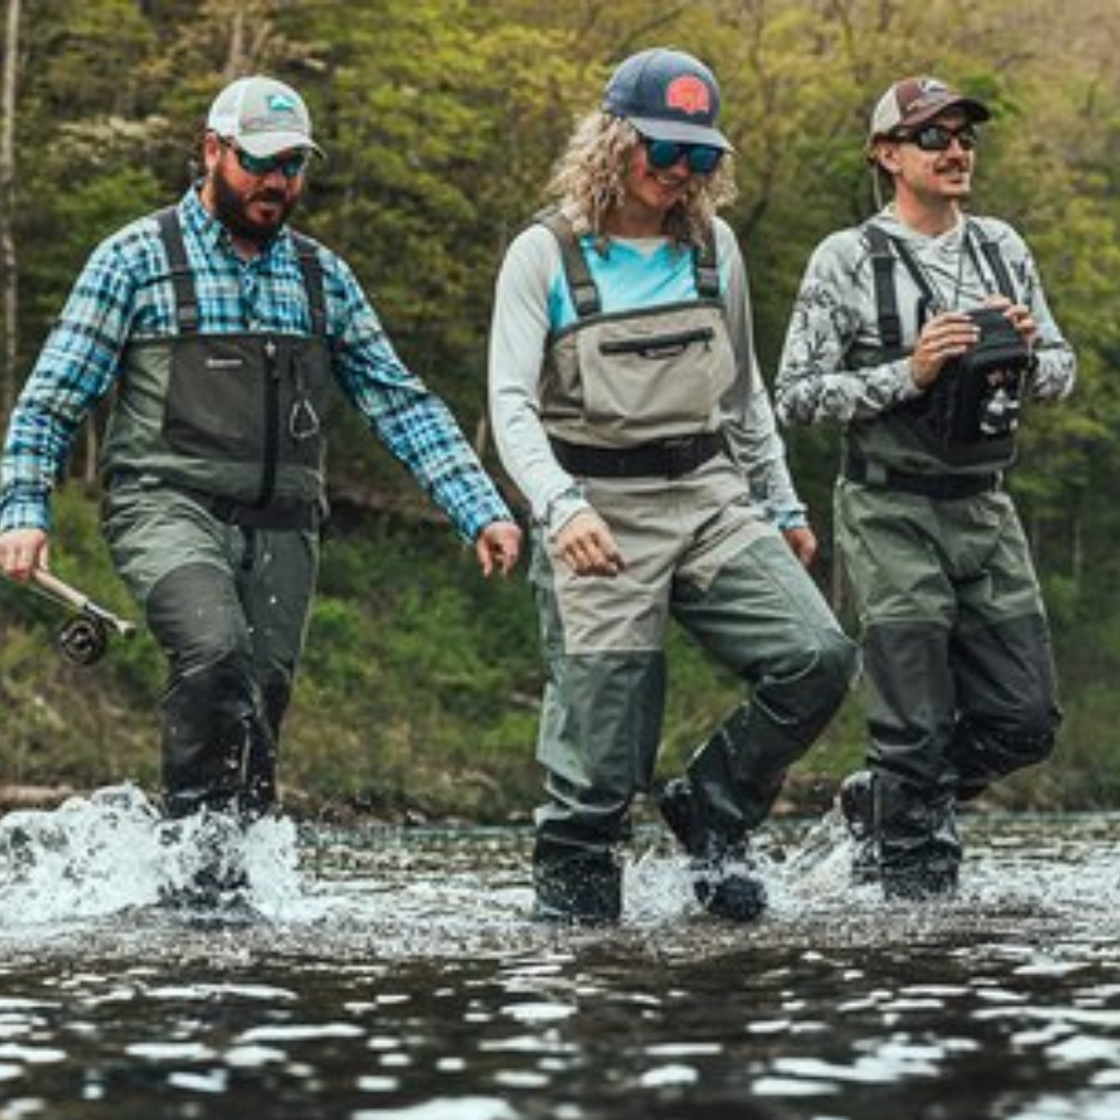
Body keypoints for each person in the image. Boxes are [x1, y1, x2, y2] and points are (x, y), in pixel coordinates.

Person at [0, 75, 521, 830]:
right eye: (261, 162)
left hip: (284, 530)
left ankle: (238, 890)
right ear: (212, 151)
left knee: (260, 710)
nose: (278, 182)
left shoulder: (323, 278)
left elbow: (399, 401)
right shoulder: (133, 260)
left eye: (293, 167)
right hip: (165, 507)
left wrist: (479, 508)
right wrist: (23, 511)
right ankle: (192, 868)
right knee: (215, 655)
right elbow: (50, 400)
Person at [488, 47, 857, 925]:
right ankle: (579, 950)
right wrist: (558, 505)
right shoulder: (543, 254)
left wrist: (783, 504)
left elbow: (743, 392)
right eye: (663, 149)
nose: (679, 171)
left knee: (818, 657)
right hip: (596, 511)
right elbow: (508, 403)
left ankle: (713, 812)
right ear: (612, 139)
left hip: (709, 497)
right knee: (599, 777)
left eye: (700, 156)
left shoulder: (714, 247)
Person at [775, 76, 1076, 901]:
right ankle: (919, 927)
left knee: (1026, 721)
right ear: (887, 155)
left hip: (985, 507)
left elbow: (1062, 368)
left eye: (964, 136)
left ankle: (884, 804)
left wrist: (1017, 354)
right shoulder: (846, 259)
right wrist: (910, 372)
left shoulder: (1003, 248)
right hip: (887, 507)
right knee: (912, 729)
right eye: (933, 137)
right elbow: (795, 394)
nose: (955, 150)